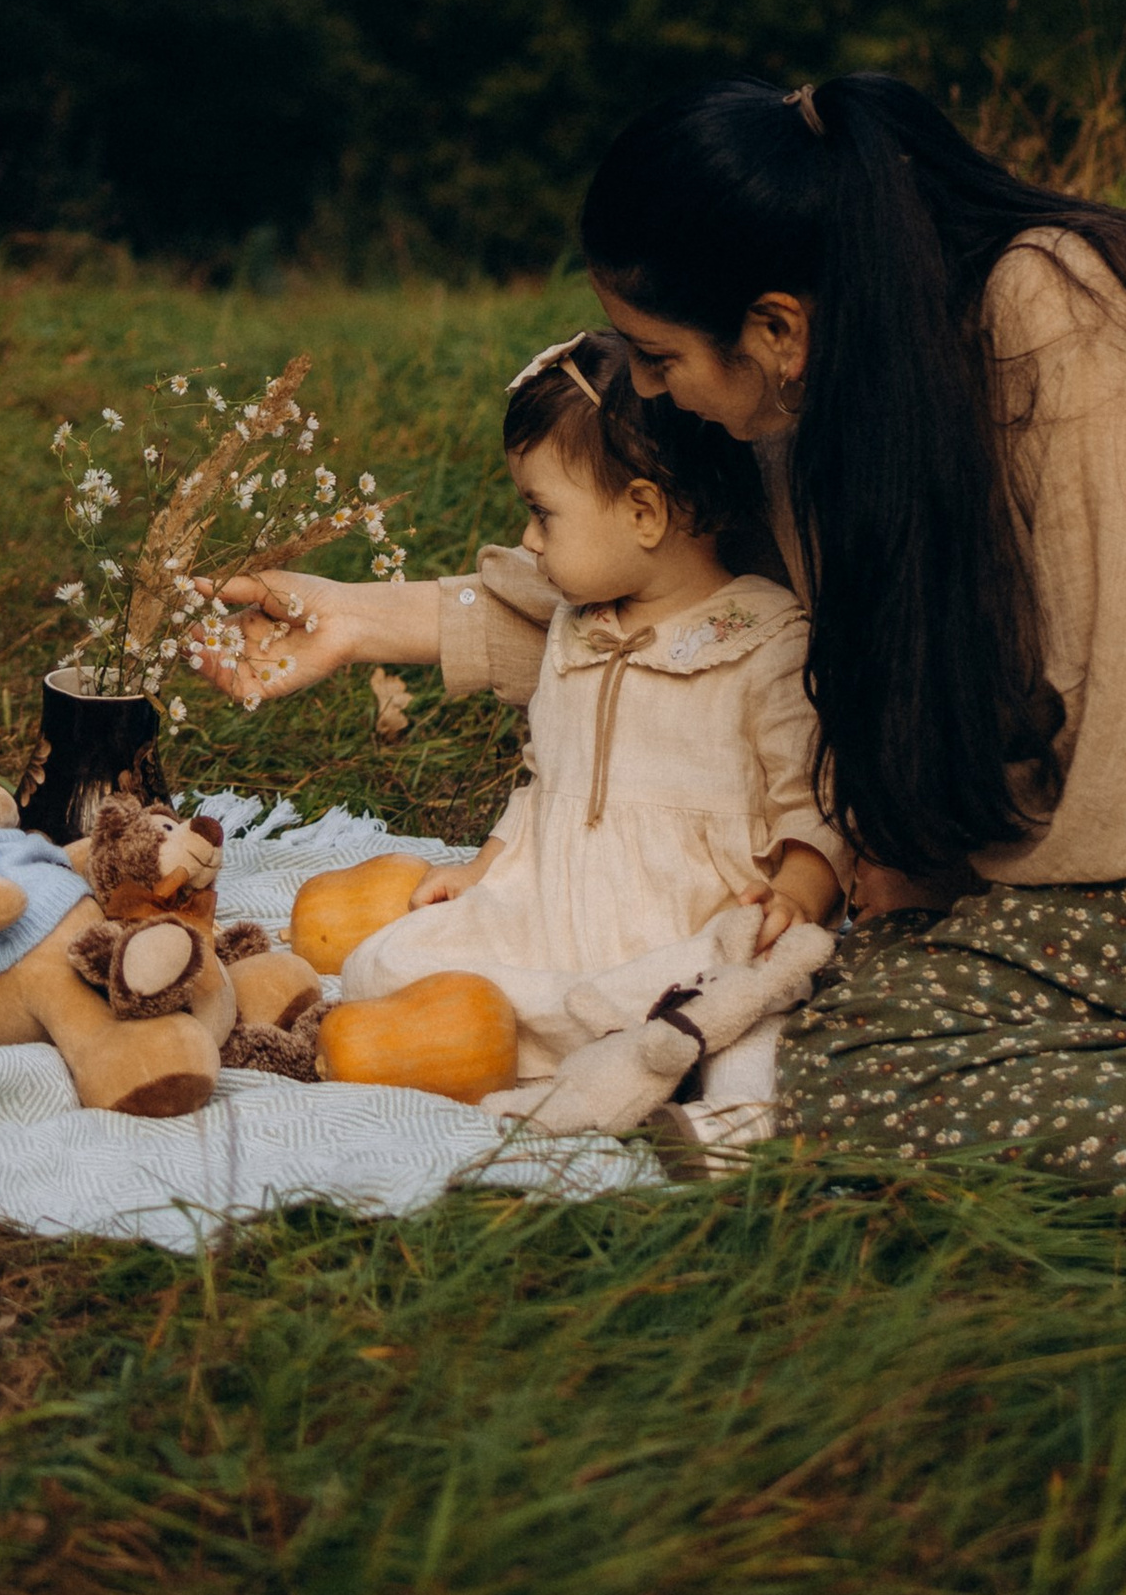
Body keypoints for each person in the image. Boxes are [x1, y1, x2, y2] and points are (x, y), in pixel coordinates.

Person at [197, 73, 1126, 1262]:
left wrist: (936, 884)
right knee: (827, 998)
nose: (642, 391)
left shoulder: (1063, 319)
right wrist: (362, 618)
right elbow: (664, 587)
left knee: (850, 1038)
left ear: (776, 324)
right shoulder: (827, 389)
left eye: (653, 354)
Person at [332, 337, 847, 1093]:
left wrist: (798, 893)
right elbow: (548, 774)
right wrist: (485, 867)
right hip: (557, 903)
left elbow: (813, 797)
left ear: (643, 511)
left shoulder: (765, 639)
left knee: (742, 990)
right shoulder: (575, 629)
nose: (530, 541)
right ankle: (583, 1040)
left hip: (684, 923)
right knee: (379, 963)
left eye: (542, 513)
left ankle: (685, 1076)